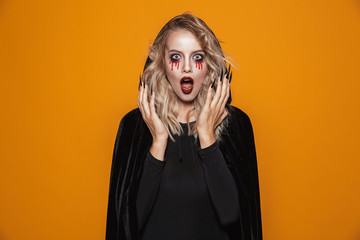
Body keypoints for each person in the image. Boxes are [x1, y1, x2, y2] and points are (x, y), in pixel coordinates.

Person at [105, 12, 262, 240]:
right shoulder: (134, 127)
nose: (187, 68)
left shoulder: (236, 125)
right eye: (176, 57)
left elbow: (231, 215)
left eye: (197, 57)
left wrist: (207, 135)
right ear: (161, 63)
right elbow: (130, 224)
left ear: (209, 64)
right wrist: (158, 140)